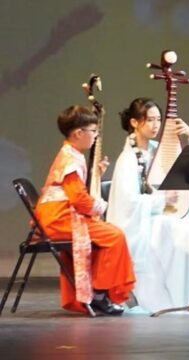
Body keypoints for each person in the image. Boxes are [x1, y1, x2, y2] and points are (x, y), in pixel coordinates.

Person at [107, 97, 189, 313]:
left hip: (165, 217)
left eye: (158, 120)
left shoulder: (161, 151)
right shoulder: (127, 159)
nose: (155, 125)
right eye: (149, 120)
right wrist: (160, 201)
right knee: (182, 232)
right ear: (134, 122)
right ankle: (181, 297)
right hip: (145, 222)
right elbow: (128, 202)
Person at [36, 105, 135, 315]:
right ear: (79, 133)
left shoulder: (71, 154)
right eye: (93, 131)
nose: (95, 135)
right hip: (58, 219)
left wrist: (96, 174)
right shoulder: (70, 158)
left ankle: (97, 292)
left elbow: (77, 192)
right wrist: (103, 206)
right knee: (114, 236)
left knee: (107, 234)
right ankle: (99, 293)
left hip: (60, 215)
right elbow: (79, 199)